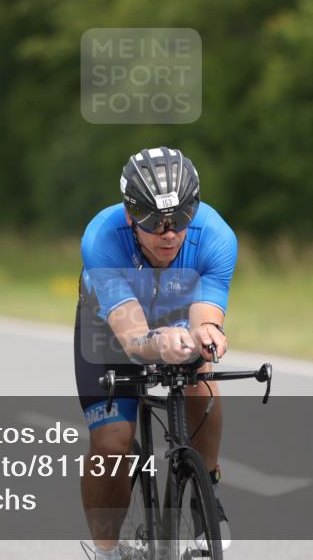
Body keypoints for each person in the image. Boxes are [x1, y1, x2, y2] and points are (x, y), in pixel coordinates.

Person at [74, 147, 237, 559]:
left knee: (201, 378)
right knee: (112, 444)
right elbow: (132, 337)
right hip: (111, 326)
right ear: (130, 215)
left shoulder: (216, 237)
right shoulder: (102, 238)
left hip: (176, 314)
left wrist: (206, 335)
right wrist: (158, 342)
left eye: (180, 219)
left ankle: (206, 496)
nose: (168, 233)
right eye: (154, 221)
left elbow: (204, 318)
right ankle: (107, 551)